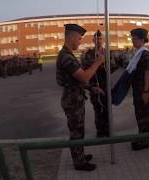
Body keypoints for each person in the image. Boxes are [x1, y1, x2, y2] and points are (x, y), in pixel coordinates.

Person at [56, 24, 105, 171]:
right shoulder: (66, 56)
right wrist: (97, 62)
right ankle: (79, 162)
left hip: (75, 96)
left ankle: (80, 155)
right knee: (76, 132)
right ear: (70, 37)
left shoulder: (68, 54)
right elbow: (83, 77)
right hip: (72, 100)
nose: (80, 41)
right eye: (79, 38)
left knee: (79, 130)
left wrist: (91, 88)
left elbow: (76, 80)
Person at [81, 30, 116, 137]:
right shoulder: (88, 54)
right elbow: (86, 67)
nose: (99, 40)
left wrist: (104, 63)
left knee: (107, 109)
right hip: (94, 85)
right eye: (96, 38)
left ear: (103, 40)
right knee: (97, 110)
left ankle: (108, 131)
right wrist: (99, 62)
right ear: (93, 40)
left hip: (106, 85)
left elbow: (113, 67)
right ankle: (100, 132)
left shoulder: (108, 52)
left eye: (100, 38)